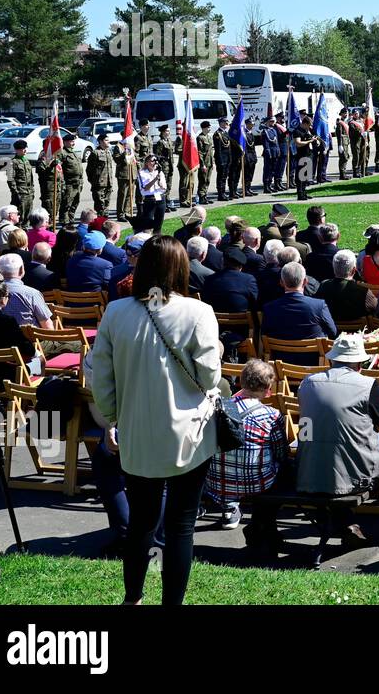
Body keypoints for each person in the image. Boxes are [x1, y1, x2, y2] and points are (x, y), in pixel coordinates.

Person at [85, 235, 220, 605]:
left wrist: (113, 418)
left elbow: (101, 375)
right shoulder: (198, 312)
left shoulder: (116, 312)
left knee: (142, 523)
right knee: (180, 526)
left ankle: (133, 597)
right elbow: (210, 377)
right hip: (187, 435)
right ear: (181, 268)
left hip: (137, 432)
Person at [296, 332, 379, 548]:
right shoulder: (368, 385)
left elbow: (313, 424)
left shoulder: (307, 383)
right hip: (357, 474)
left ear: (332, 359)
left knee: (336, 461)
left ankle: (347, 522)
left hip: (308, 471)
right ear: (359, 362)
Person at [203, 358, 287, 550]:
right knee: (283, 473)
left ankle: (261, 529)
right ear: (267, 389)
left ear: (241, 382)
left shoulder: (217, 408)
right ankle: (262, 526)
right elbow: (280, 453)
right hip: (256, 483)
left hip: (217, 482)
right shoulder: (271, 415)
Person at [317, 249, 376, 323]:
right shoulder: (363, 291)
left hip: (330, 332)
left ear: (334, 268)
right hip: (357, 332)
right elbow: (375, 309)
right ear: (354, 270)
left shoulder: (323, 286)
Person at [135, 152, 168, 234]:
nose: (154, 163)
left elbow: (164, 188)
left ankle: (157, 238)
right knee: (148, 225)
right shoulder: (142, 173)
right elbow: (145, 188)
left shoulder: (159, 172)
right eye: (152, 161)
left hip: (160, 198)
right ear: (146, 162)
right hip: (149, 199)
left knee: (159, 224)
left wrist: (160, 184)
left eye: (155, 161)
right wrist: (155, 179)